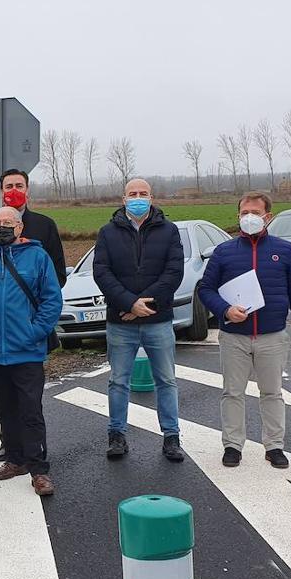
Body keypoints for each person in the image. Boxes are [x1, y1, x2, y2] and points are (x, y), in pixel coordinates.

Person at [198, 191, 291, 470]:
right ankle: (232, 445)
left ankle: (274, 446)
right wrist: (225, 310)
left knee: (272, 392)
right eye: (243, 213)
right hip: (234, 336)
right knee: (232, 392)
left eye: (254, 213)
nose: (248, 217)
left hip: (272, 335)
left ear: (267, 216)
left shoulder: (284, 250)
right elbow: (206, 288)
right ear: (238, 215)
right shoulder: (224, 251)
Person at [0, 206, 63, 495]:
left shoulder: (38, 257)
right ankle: (15, 459)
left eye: (8, 222)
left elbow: (52, 301)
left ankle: (39, 470)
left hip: (27, 351)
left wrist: (34, 332)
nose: (2, 226)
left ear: (20, 227)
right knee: (4, 410)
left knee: (30, 411)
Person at [93, 179, 186, 463]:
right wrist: (129, 303)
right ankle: (116, 435)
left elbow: (173, 272)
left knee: (166, 380)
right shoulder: (107, 233)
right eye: (132, 194)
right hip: (120, 322)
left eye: (142, 194)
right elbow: (102, 272)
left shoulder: (169, 231)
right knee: (118, 381)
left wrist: (143, 304)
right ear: (123, 199)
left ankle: (171, 437)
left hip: (157, 320)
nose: (137, 198)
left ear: (152, 197)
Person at [0, 168, 67, 288]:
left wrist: (40, 300)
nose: (14, 190)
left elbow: (57, 273)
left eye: (19, 186)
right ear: (2, 192)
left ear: (27, 190)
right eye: (9, 187)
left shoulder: (45, 225)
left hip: (32, 303)